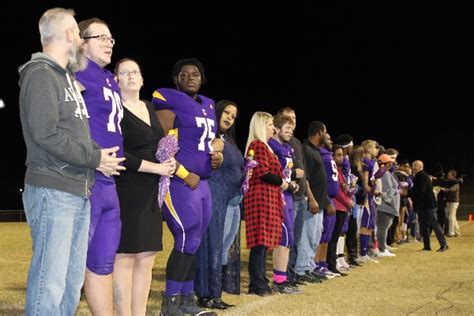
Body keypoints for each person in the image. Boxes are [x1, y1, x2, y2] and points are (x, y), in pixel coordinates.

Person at [18, 8, 124, 315]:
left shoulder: (65, 78)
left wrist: (98, 157)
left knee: (70, 281)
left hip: (78, 190)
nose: (80, 41)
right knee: (49, 282)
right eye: (78, 35)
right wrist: (93, 157)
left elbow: (75, 133)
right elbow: (45, 134)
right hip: (54, 190)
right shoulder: (41, 74)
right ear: (68, 35)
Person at [153, 58, 223, 316]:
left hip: (203, 183)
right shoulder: (167, 97)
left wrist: (219, 154)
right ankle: (169, 303)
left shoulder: (209, 104)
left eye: (195, 74)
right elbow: (160, 144)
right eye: (184, 74)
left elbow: (210, 141)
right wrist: (183, 173)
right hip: (181, 181)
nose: (190, 77)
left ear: (202, 78)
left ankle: (186, 300)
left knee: (194, 241)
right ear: (176, 79)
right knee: (185, 237)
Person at [113, 58, 176, 316]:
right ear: (115, 80)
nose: (130, 76)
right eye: (124, 72)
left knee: (146, 258)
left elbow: (156, 144)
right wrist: (157, 168)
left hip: (151, 190)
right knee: (125, 258)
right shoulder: (113, 108)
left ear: (141, 79)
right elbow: (119, 154)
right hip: (126, 188)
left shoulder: (148, 107)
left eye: (135, 72)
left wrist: (168, 160)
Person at [77, 18, 124, 314]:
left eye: (111, 38)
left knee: (103, 263)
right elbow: (66, 119)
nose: (109, 43)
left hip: (110, 181)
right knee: (72, 262)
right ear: (82, 42)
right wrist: (94, 155)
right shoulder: (76, 70)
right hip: (87, 177)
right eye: (101, 37)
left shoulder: (107, 77)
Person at [195, 100, 242, 309]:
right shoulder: (211, 138)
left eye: (233, 116)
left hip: (231, 200)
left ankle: (216, 293)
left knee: (220, 248)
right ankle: (206, 294)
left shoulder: (228, 140)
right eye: (226, 112)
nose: (229, 118)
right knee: (211, 246)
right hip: (214, 195)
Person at [244, 111, 287, 296]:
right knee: (259, 243)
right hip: (261, 199)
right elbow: (263, 172)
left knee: (264, 243)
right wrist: (282, 182)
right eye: (270, 124)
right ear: (261, 126)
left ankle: (260, 281)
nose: (273, 128)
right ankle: (257, 283)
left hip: (268, 198)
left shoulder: (265, 146)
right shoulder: (258, 145)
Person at [409, 160, 448, 252]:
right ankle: (427, 246)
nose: (412, 167)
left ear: (420, 166)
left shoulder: (422, 176)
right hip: (423, 205)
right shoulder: (420, 176)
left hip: (428, 205)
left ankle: (444, 244)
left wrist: (407, 193)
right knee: (423, 225)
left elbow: (420, 190)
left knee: (434, 224)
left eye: (414, 166)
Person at [374, 154, 400, 257]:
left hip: (386, 204)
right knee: (382, 228)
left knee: (384, 227)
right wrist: (390, 201)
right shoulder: (384, 173)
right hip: (385, 205)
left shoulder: (386, 173)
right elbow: (388, 190)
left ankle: (383, 246)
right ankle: (381, 249)